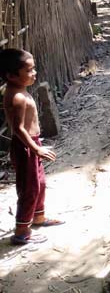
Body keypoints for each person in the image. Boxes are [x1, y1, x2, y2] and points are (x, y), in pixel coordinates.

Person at [1, 49, 64, 246]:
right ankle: (21, 232)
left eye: (34, 68)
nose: (34, 73)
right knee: (29, 189)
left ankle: (38, 217)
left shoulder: (20, 89)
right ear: (11, 75)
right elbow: (18, 129)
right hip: (25, 147)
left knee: (40, 184)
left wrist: (37, 145)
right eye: (29, 70)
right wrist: (35, 149)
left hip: (32, 143)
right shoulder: (16, 97)